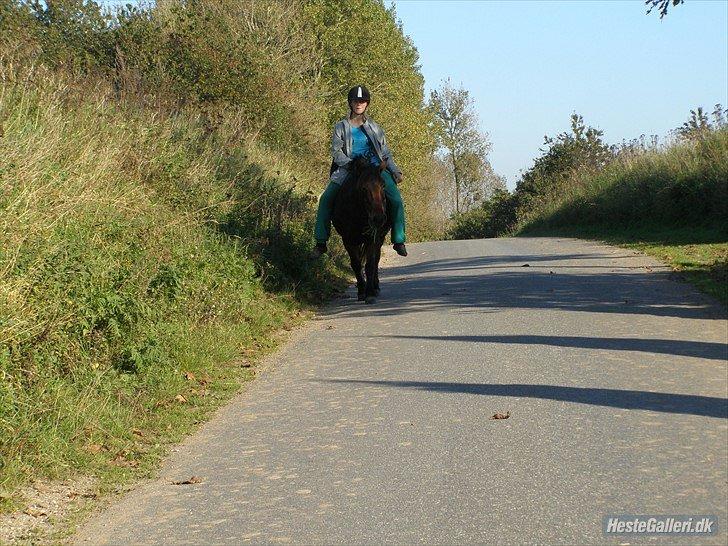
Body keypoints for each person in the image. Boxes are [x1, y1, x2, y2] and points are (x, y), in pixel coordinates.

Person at [312, 85, 408, 258]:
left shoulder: (376, 128)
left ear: (367, 104)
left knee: (396, 199)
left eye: (362, 101)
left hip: (375, 170)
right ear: (350, 103)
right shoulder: (340, 127)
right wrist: (349, 164)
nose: (359, 104)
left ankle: (398, 239)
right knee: (326, 199)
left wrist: (395, 171)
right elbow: (336, 151)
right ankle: (320, 242)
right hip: (349, 168)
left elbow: (385, 154)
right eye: (356, 101)